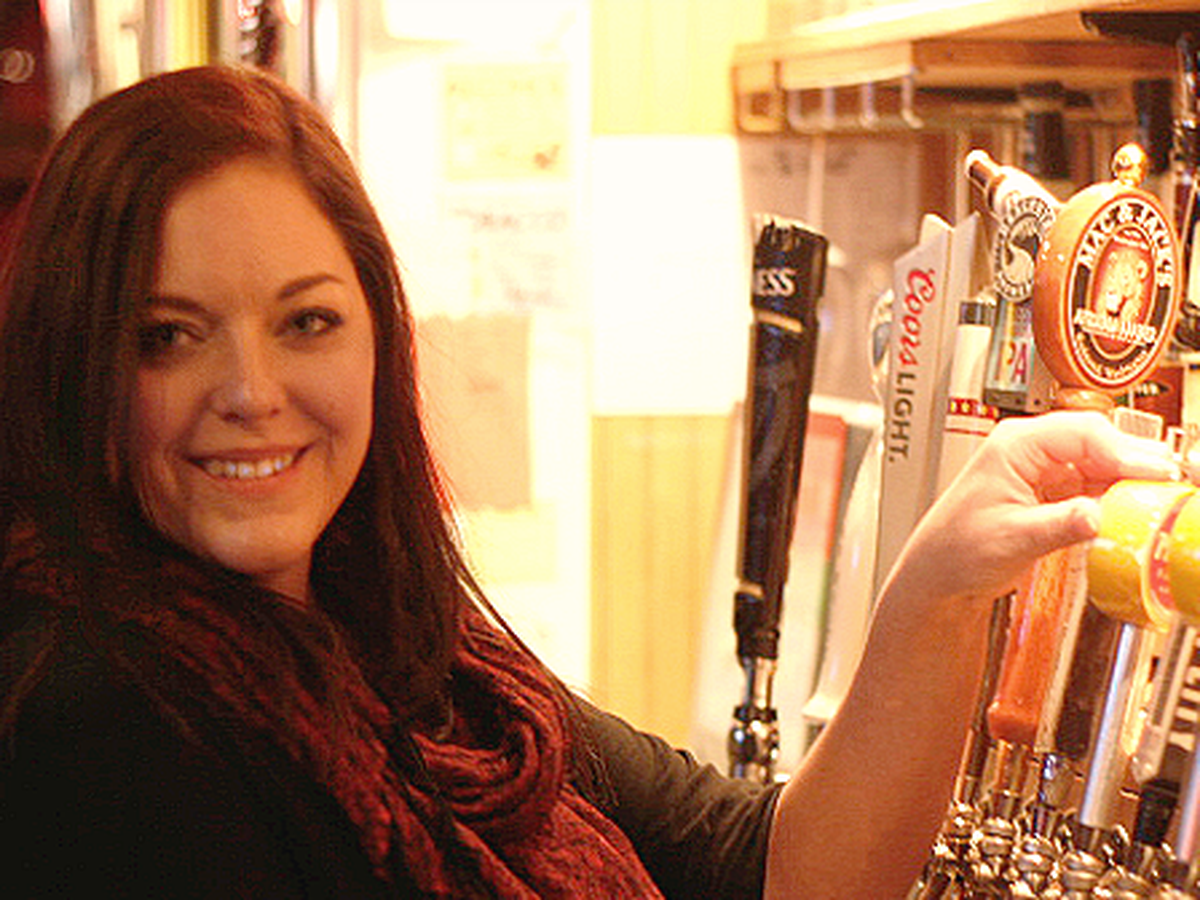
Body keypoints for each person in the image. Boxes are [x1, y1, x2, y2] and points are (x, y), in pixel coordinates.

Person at [0, 64, 1178, 899]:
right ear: (72, 362)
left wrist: (942, 587)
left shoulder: (416, 651)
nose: (252, 390)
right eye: (167, 336)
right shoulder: (95, 721)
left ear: (376, 340)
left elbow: (780, 867)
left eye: (306, 321)